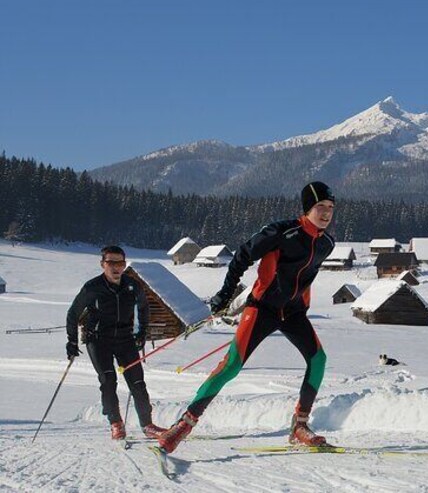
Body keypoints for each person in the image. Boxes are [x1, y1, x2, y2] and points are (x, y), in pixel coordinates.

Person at [158, 181, 336, 453]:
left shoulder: (326, 244)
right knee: (231, 366)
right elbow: (242, 255)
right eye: (320, 207)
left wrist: (303, 305)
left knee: (318, 360)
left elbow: (306, 277)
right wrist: (225, 294)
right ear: (306, 208)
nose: (326, 213)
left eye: (330, 208)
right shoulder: (281, 231)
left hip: (292, 313)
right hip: (262, 308)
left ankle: (300, 425)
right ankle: (184, 424)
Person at [66, 245, 166, 440]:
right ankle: (116, 423)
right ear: (103, 264)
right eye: (111, 262)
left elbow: (144, 307)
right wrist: (72, 342)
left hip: (125, 339)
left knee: (137, 383)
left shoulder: (132, 285)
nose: (116, 267)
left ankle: (148, 425)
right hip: (98, 339)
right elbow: (73, 314)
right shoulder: (92, 287)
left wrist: (142, 331)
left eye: (120, 263)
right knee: (108, 380)